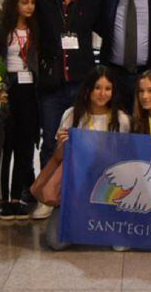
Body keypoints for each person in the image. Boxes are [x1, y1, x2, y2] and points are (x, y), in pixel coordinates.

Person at [33, 0, 99, 221]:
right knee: (51, 141)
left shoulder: (92, 0)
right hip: (52, 84)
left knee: (83, 141)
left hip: (82, 82)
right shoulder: (41, 0)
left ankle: (77, 194)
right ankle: (46, 197)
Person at [45, 66, 131, 251]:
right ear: (88, 89)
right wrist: (61, 144)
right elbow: (58, 159)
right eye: (97, 87)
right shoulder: (72, 115)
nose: (102, 93)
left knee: (120, 246)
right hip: (75, 188)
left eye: (107, 88)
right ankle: (80, 221)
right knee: (55, 242)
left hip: (108, 189)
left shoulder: (122, 120)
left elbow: (125, 160)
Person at [0, 0, 40, 221]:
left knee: (25, 146)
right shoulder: (1, 29)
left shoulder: (36, 29)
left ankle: (19, 197)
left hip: (31, 92)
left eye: (32, 2)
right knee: (5, 146)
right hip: (9, 90)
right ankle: (3, 199)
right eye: (24, 2)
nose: (29, 7)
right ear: (14, 4)